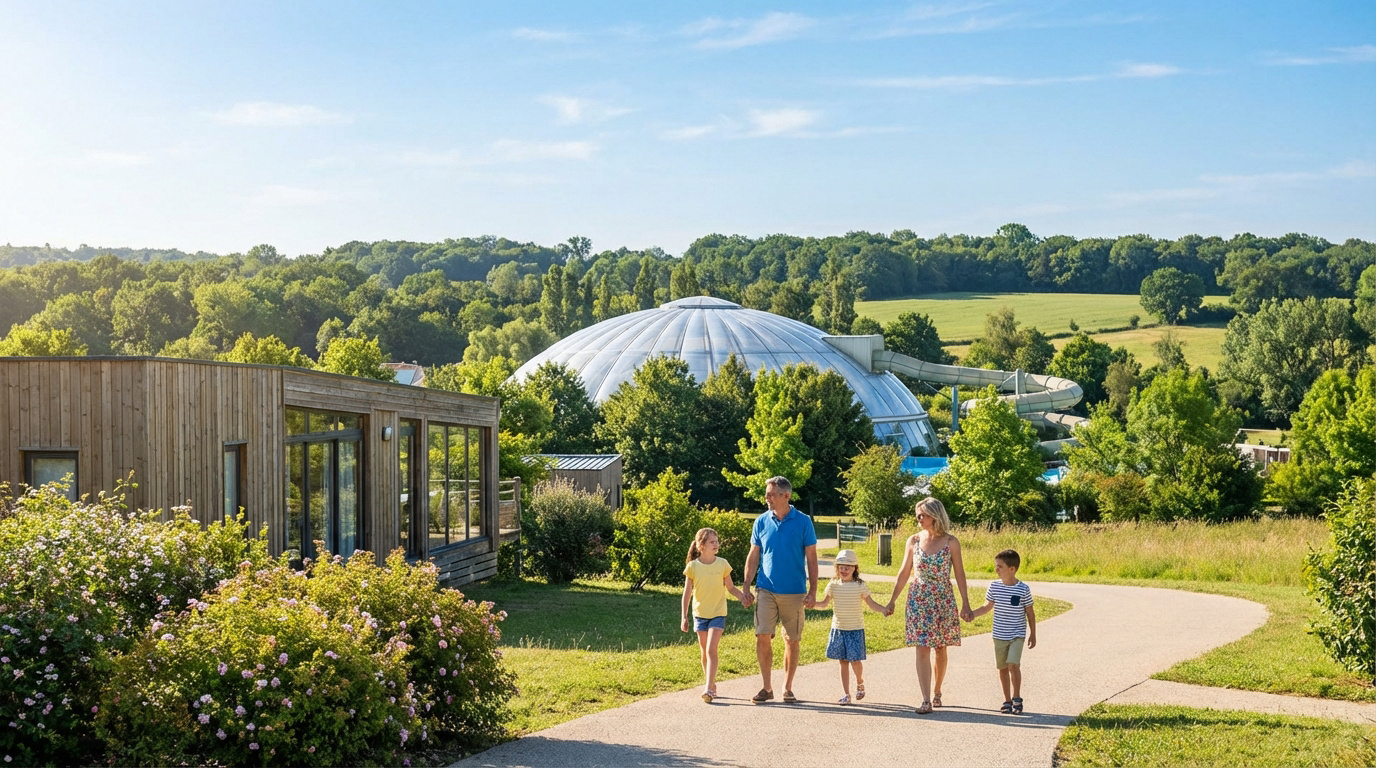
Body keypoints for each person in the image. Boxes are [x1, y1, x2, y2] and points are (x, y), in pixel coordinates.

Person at [886, 497, 973, 714]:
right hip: (919, 599)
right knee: (922, 648)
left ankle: (937, 691)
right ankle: (925, 699)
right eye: (918, 515)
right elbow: (904, 572)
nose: (919, 519)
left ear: (935, 515)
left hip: (942, 598)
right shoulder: (913, 541)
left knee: (940, 648)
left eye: (923, 515)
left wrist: (966, 603)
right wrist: (892, 600)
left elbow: (960, 574)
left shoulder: (951, 542)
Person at [741, 476, 818, 704]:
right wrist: (746, 586)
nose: (767, 498)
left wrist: (813, 591)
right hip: (766, 589)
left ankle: (787, 687)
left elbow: (812, 559)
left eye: (771, 495)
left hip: (794, 591)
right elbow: (754, 555)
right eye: (766, 494)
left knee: (792, 640)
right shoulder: (761, 522)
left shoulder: (803, 522)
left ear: (786, 496)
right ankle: (767, 687)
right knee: (762, 635)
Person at [813, 548, 891, 704]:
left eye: (848, 566)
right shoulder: (833, 585)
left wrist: (884, 609)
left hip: (855, 629)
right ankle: (846, 694)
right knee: (842, 662)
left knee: (855, 661)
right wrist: (812, 604)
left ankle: (860, 682)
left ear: (855, 568)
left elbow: (871, 604)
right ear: (837, 568)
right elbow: (824, 603)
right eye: (841, 566)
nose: (844, 569)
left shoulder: (859, 585)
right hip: (839, 629)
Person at [681, 527, 748, 703]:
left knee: (711, 649)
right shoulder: (693, 567)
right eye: (712, 542)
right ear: (701, 545)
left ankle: (709, 689)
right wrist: (684, 616)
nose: (716, 544)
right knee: (704, 651)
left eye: (717, 541)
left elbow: (731, 587)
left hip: (718, 613)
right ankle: (711, 684)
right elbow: (687, 593)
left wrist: (742, 597)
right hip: (700, 614)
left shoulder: (722, 564)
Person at [968, 548, 1037, 714]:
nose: (996, 569)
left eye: (1000, 566)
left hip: (1017, 634)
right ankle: (1006, 700)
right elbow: (987, 606)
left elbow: (1030, 612)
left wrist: (1033, 634)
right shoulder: (994, 586)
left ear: (1011, 569)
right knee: (1003, 668)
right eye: (996, 566)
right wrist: (973, 614)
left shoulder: (1023, 589)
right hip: (999, 635)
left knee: (1013, 664)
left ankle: (1017, 698)